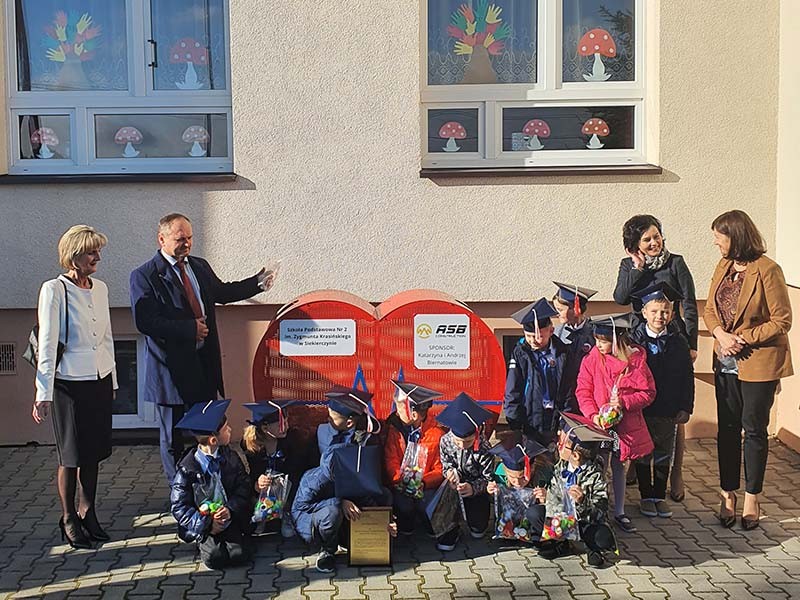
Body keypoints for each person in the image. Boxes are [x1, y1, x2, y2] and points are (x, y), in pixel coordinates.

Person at [130, 213, 276, 484]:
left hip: (203, 365)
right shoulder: (145, 275)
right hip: (171, 372)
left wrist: (257, 282)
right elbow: (146, 322)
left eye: (190, 238)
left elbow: (221, 292)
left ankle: (212, 486)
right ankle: (179, 491)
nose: (186, 244)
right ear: (161, 239)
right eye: (180, 239)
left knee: (211, 428)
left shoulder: (198, 266)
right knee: (173, 437)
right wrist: (189, 328)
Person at [705, 210, 793, 531]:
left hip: (758, 362)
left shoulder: (768, 270)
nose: (716, 243)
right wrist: (720, 334)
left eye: (719, 238)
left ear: (736, 237)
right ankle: (728, 494)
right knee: (727, 429)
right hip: (725, 359)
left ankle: (753, 498)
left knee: (753, 430)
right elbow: (710, 309)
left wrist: (741, 339)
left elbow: (782, 320)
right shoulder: (723, 266)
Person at [32, 225, 117, 549]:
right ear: (74, 255)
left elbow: (107, 336)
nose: (97, 258)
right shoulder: (54, 289)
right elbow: (47, 343)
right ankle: (68, 517)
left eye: (98, 251)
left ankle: (88, 511)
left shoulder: (101, 289)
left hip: (98, 379)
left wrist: (113, 379)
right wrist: (42, 393)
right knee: (71, 455)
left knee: (93, 453)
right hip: (68, 384)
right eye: (91, 252)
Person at [613, 215, 699, 501]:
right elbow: (621, 297)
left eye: (656, 236)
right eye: (647, 239)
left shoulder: (676, 263)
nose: (654, 243)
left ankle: (676, 472)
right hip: (640, 341)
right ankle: (637, 464)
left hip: (671, 340)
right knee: (640, 404)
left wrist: (692, 343)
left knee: (671, 408)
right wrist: (637, 268)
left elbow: (689, 303)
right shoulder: (628, 265)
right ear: (635, 244)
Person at [292, 391, 392, 574]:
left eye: (333, 416)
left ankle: (363, 542)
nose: (328, 419)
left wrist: (385, 519)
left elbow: (371, 478)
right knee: (332, 512)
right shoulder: (320, 433)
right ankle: (327, 549)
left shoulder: (367, 440)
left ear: (349, 422)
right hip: (325, 496)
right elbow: (313, 475)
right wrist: (340, 500)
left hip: (356, 494)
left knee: (382, 497)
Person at [576, 314, 656, 534]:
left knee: (619, 466)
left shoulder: (635, 361)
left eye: (603, 341)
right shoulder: (592, 359)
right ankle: (597, 508)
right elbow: (583, 390)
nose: (598, 345)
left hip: (624, 426)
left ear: (617, 340)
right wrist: (593, 415)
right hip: (600, 425)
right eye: (596, 340)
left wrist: (624, 402)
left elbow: (648, 393)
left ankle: (620, 510)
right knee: (599, 465)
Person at [629, 283, 695, 519]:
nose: (660, 316)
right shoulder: (634, 342)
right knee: (643, 452)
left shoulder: (678, 342)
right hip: (642, 409)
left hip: (668, 408)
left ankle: (659, 495)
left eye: (665, 311)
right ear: (644, 312)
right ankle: (646, 496)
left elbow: (687, 376)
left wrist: (685, 406)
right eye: (655, 311)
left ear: (673, 314)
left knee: (664, 452)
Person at [170, 399, 252, 570]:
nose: (230, 430)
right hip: (204, 523)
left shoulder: (230, 457)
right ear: (214, 440)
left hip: (228, 517)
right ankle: (204, 541)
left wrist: (230, 509)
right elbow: (179, 506)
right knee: (215, 558)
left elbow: (243, 486)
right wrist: (207, 524)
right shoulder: (187, 469)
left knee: (239, 555)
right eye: (226, 428)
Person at [533, 413, 616, 568]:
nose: (558, 445)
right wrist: (547, 497)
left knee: (603, 537)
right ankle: (561, 544)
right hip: (561, 520)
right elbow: (555, 495)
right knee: (535, 513)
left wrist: (582, 501)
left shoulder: (597, 475)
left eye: (563, 443)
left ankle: (592, 548)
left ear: (575, 455)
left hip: (583, 523)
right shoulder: (561, 467)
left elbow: (600, 511)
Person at [504, 298, 571, 446]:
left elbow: (568, 389)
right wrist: (515, 424)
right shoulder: (521, 353)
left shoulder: (563, 353)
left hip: (554, 417)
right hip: (530, 418)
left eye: (538, 336)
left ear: (551, 330)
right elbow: (513, 389)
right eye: (528, 336)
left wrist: (566, 422)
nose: (533, 340)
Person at [383, 380, 445, 537]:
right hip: (401, 483)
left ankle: (428, 523)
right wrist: (401, 480)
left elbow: (440, 468)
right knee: (403, 503)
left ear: (414, 414)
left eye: (399, 408)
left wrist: (423, 482)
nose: (397, 412)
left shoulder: (436, 434)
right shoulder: (394, 429)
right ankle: (406, 524)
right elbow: (391, 460)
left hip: (426, 485)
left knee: (426, 503)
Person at [241, 401, 310, 538]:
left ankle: (288, 513)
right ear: (265, 428)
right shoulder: (250, 445)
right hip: (266, 492)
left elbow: (297, 470)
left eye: (286, 421)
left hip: (289, 486)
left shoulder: (294, 439)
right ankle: (261, 514)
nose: (286, 426)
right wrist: (257, 483)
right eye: (280, 424)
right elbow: (253, 471)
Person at [436, 392, 495, 551]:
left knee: (478, 531)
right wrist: (450, 474)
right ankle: (450, 529)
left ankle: (476, 522)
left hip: (475, 488)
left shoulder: (484, 448)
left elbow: (488, 478)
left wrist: (473, 488)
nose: (462, 446)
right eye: (458, 442)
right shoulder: (445, 441)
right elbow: (446, 464)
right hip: (455, 486)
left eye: (468, 442)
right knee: (446, 496)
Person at [552, 281, 598, 413]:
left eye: (560, 310)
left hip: (589, 395)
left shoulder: (595, 333)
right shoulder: (557, 333)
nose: (557, 313)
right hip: (564, 396)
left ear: (575, 309)